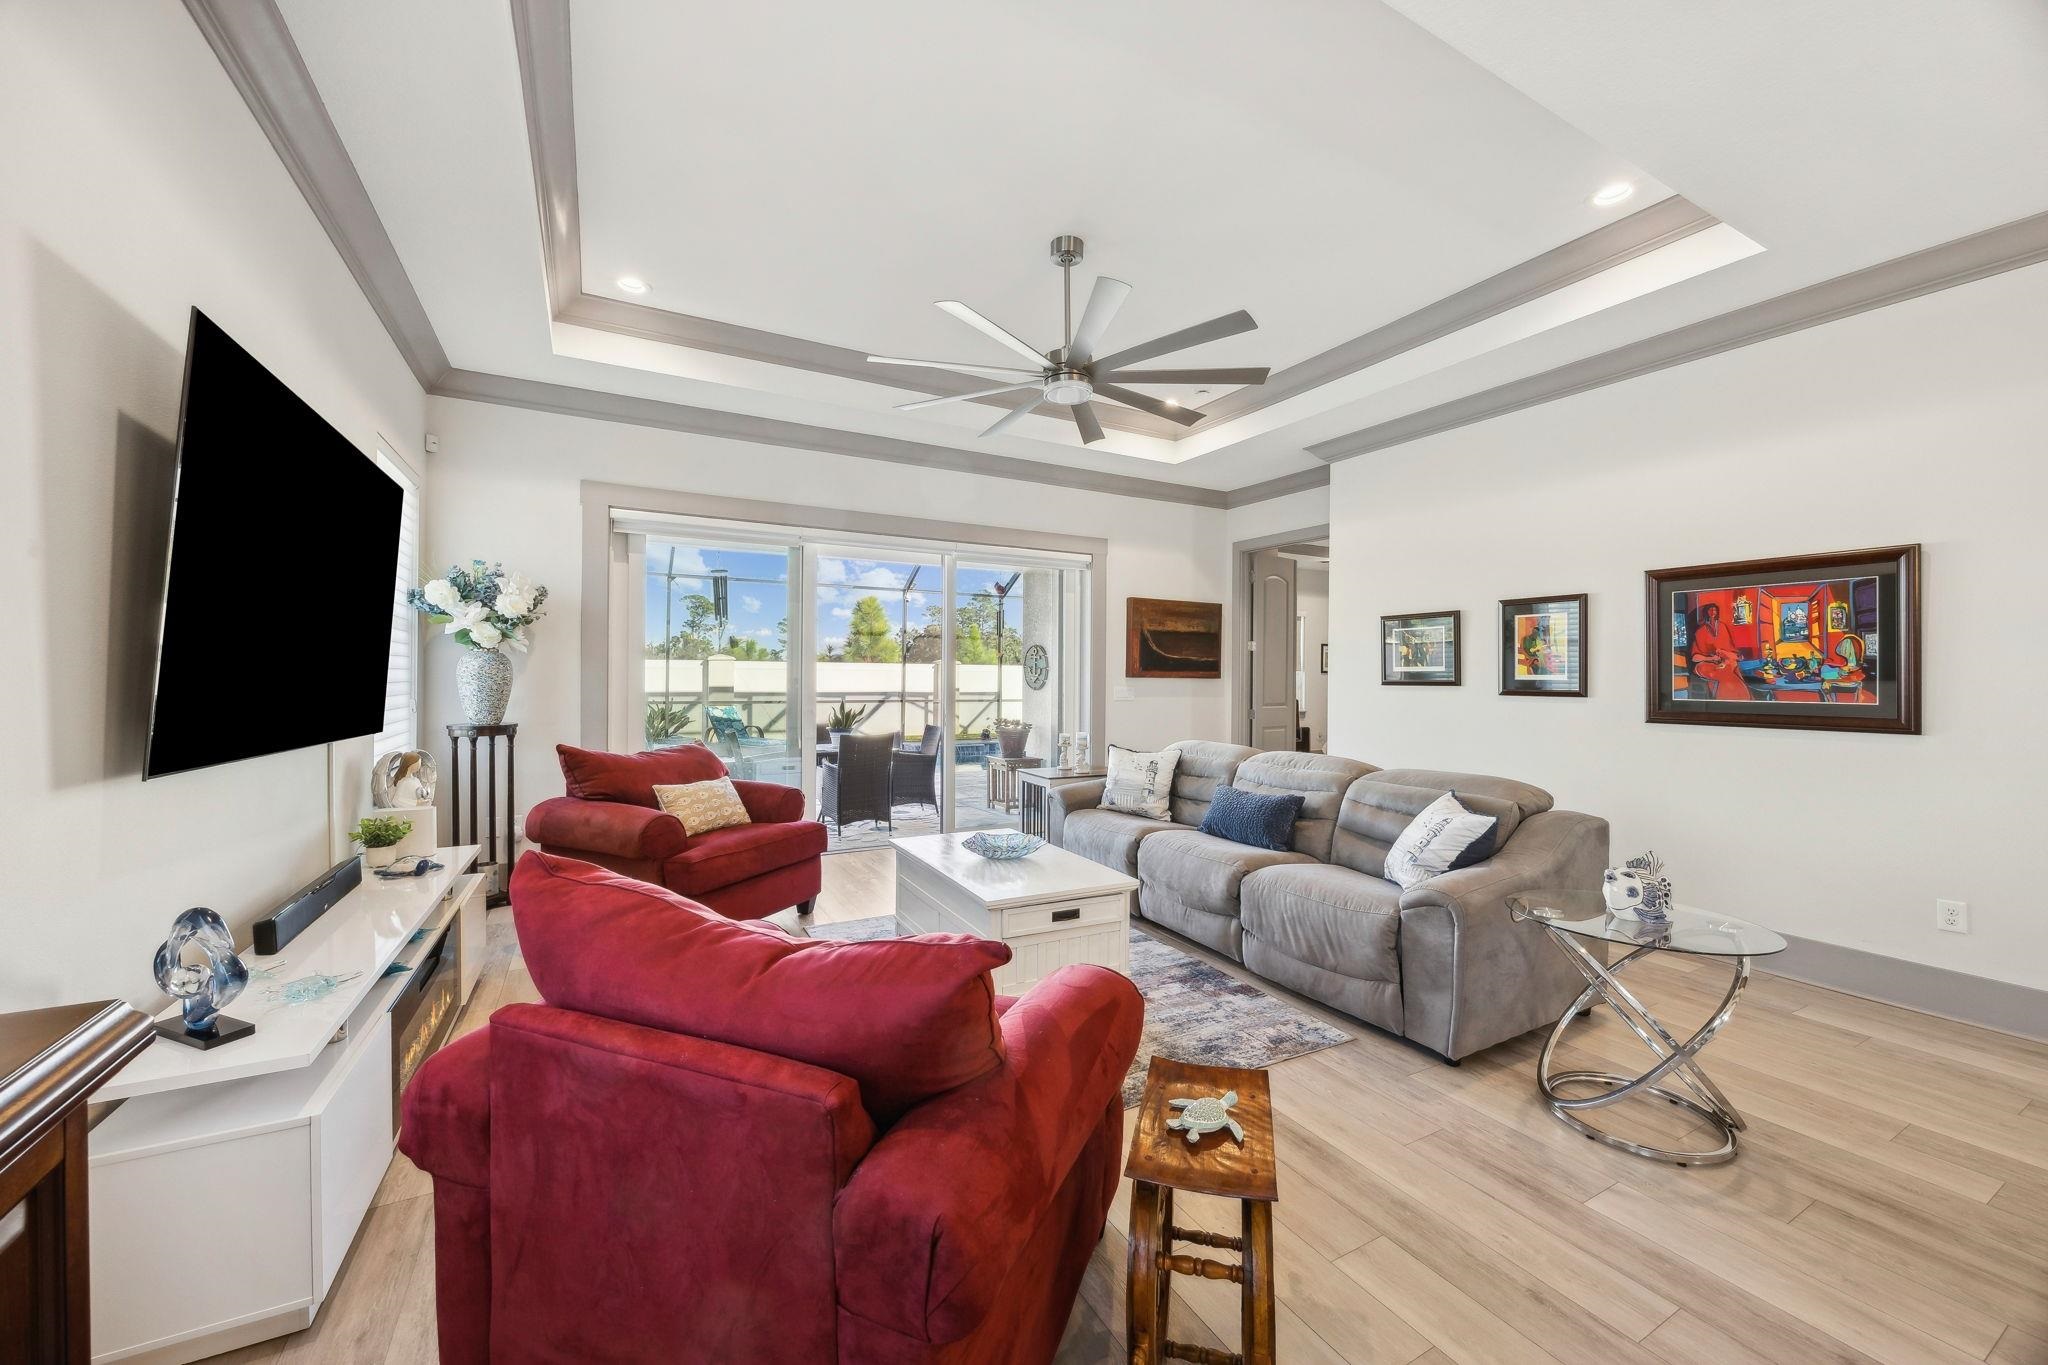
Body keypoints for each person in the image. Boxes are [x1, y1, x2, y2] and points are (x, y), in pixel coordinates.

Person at [1689, 602, 1749, 699]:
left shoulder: (1722, 627)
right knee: (1722, 672)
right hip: (1705, 663)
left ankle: (1741, 698)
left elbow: (1732, 651)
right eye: (1710, 610)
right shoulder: (1700, 631)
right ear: (1706, 612)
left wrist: (1724, 654)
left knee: (1730, 667)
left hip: (1724, 662)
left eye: (1715, 610)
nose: (1713, 612)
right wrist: (1711, 657)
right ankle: (1728, 699)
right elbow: (1695, 658)